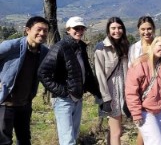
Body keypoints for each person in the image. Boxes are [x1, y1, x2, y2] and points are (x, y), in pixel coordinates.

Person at [38, 16, 102, 145]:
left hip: (77, 98)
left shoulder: (80, 47)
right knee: (68, 140)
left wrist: (97, 93)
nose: (79, 31)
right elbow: (42, 73)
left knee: (74, 135)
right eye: (75, 28)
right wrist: (63, 92)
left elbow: (86, 74)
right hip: (63, 100)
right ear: (68, 30)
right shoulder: (60, 47)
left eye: (81, 28)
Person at [0, 16, 49, 145]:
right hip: (5, 103)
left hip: (25, 103)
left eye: (45, 31)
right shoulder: (11, 46)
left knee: (24, 139)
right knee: (4, 140)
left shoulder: (44, 52)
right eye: (39, 29)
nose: (42, 33)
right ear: (27, 30)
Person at [125, 35, 161, 145]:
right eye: (160, 46)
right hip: (145, 111)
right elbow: (131, 91)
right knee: (156, 142)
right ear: (154, 45)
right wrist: (136, 113)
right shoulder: (140, 64)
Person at [94, 17, 130, 145]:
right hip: (110, 93)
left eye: (119, 28)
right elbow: (99, 75)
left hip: (123, 92)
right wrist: (105, 98)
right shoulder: (101, 48)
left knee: (113, 129)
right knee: (117, 131)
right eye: (113, 28)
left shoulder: (126, 46)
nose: (117, 31)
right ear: (108, 30)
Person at [128, 16, 155, 145]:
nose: (146, 32)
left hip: (155, 94)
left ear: (154, 29)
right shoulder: (134, 48)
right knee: (143, 128)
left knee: (148, 131)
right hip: (139, 94)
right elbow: (130, 73)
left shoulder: (159, 46)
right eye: (143, 29)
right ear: (138, 30)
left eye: (149, 28)